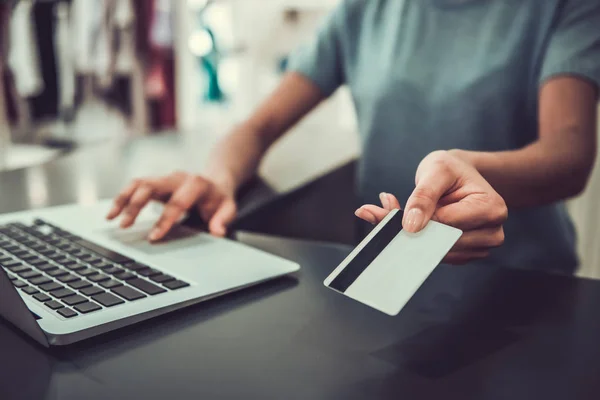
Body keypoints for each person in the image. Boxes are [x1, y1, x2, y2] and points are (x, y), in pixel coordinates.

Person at [109, 0, 599, 273]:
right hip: (382, 271)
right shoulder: (365, 9)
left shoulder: (565, 8)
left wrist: (471, 168)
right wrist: (218, 177)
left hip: (520, 285)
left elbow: (568, 156)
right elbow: (259, 125)